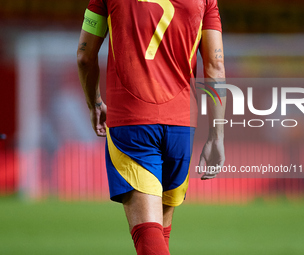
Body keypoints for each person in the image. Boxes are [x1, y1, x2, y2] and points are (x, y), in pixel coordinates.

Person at [77, 0, 226, 254]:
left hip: (132, 121)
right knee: (159, 237)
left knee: (148, 239)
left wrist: (95, 103)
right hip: (181, 126)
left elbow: (84, 56)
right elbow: (215, 66)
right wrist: (217, 135)